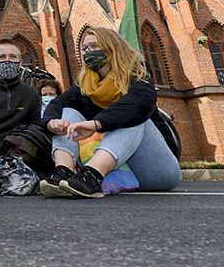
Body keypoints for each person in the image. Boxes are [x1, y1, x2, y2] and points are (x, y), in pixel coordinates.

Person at [39, 27, 182, 198]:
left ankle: (92, 174)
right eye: (84, 48)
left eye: (94, 46)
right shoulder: (85, 83)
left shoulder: (137, 73)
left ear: (111, 46)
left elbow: (141, 103)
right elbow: (58, 102)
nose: (88, 52)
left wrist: (96, 124)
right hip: (116, 169)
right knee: (67, 112)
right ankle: (63, 171)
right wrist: (51, 122)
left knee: (134, 115)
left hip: (155, 171)